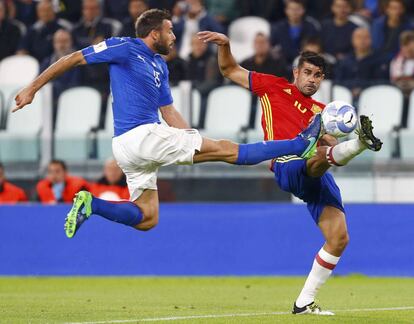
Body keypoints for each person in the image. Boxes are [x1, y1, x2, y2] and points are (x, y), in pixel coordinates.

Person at [14, 9, 323, 238]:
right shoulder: (125, 47)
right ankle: (300, 143)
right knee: (230, 150)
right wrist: (31, 88)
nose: (175, 37)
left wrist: (192, 138)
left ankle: (91, 205)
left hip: (130, 149)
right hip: (140, 136)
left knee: (147, 217)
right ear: (154, 34)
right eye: (170, 31)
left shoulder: (160, 65)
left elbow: (169, 111)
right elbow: (72, 58)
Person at [198, 30, 382, 315]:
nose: (312, 79)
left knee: (339, 238)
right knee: (320, 156)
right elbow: (229, 69)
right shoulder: (272, 87)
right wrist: (225, 45)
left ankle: (303, 303)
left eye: (318, 75)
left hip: (316, 171)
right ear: (296, 72)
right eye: (307, 72)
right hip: (287, 163)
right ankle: (360, 145)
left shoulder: (323, 112)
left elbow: (332, 145)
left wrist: (341, 139)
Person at [335, 27, 390, 99]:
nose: (362, 41)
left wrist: (362, 89)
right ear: (352, 40)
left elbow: (381, 82)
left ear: (371, 39)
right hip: (346, 98)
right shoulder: (345, 60)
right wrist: (351, 89)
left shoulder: (380, 60)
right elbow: (338, 82)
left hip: (372, 98)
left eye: (366, 37)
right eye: (359, 37)